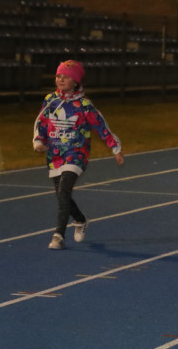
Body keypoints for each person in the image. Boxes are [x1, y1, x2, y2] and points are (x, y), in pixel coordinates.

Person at [32, 60, 124, 250]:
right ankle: (81, 219)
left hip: (76, 154)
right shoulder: (50, 100)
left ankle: (58, 235)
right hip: (55, 155)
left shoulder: (84, 105)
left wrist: (115, 148)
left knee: (64, 190)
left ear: (75, 81)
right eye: (58, 76)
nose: (61, 79)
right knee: (61, 195)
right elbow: (41, 122)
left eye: (66, 76)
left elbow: (100, 126)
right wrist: (38, 141)